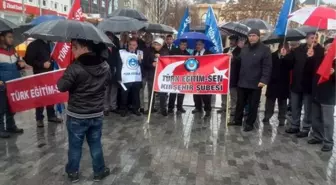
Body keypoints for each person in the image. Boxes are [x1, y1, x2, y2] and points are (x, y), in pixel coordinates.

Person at [57, 39, 111, 183]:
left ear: (85, 48)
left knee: (75, 146)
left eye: (75, 48)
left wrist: (65, 76)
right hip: (96, 113)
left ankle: (73, 173)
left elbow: (61, 86)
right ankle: (99, 171)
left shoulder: (75, 67)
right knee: (95, 143)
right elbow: (106, 83)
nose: (72, 51)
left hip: (77, 115)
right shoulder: (105, 66)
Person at [282, 33, 324, 137]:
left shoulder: (320, 51)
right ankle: (295, 126)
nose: (314, 40)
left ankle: (305, 128)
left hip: (309, 85)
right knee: (295, 107)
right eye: (312, 38)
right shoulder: (298, 50)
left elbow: (319, 67)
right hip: (297, 83)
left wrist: (311, 57)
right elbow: (289, 64)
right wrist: (284, 55)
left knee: (308, 109)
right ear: (307, 39)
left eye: (316, 38)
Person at [231, 29, 272, 132]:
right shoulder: (244, 48)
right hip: (242, 81)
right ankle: (237, 120)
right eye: (249, 36)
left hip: (256, 82)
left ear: (258, 37)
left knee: (253, 104)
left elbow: (267, 66)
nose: (251, 38)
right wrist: (233, 58)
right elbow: (239, 60)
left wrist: (263, 80)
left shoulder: (265, 49)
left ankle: (249, 123)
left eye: (254, 35)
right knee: (240, 103)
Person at [24, 39, 62, 127]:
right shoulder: (34, 45)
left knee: (50, 94)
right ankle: (39, 118)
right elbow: (28, 60)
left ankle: (51, 115)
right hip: (39, 75)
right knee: (40, 96)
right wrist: (41, 64)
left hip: (51, 74)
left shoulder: (52, 44)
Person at [308, 38, 336, 152]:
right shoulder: (320, 59)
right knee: (315, 119)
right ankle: (317, 136)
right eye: (327, 46)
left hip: (329, 96)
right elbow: (310, 71)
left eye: (331, 46)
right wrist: (310, 57)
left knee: (328, 121)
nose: (328, 48)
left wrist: (334, 73)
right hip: (316, 93)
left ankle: (328, 141)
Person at [0, 31, 25, 138]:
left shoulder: (13, 51)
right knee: (1, 108)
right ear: (2, 38)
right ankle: (1, 129)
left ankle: (11, 126)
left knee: (11, 106)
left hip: (13, 84)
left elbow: (16, 66)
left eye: (12, 37)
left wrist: (20, 65)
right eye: (9, 37)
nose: (12, 39)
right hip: (2, 85)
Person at [263, 43, 291, 127]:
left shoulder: (289, 57)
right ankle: (267, 116)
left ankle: (282, 119)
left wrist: (284, 57)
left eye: (286, 47)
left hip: (284, 83)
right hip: (273, 82)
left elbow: (290, 66)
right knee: (270, 102)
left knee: (282, 103)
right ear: (279, 48)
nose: (284, 49)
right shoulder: (272, 56)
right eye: (283, 47)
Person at [144, 37, 170, 116]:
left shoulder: (165, 52)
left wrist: (160, 57)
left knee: (162, 93)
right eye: (155, 44)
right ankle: (150, 108)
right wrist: (151, 64)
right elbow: (145, 63)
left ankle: (163, 109)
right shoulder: (150, 51)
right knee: (151, 93)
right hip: (151, 75)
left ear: (161, 45)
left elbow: (167, 62)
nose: (156, 46)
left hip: (161, 76)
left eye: (158, 44)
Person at [218, 35, 241, 115]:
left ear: (237, 42)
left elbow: (240, 62)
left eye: (233, 40)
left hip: (234, 76)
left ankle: (233, 109)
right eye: (230, 40)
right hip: (225, 74)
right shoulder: (225, 50)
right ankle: (223, 106)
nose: (231, 42)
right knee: (224, 92)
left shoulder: (240, 50)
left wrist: (233, 57)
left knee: (233, 94)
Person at [119, 38, 143, 117]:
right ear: (127, 45)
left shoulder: (140, 53)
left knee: (135, 94)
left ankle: (135, 109)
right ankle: (123, 109)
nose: (132, 46)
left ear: (137, 46)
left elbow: (143, 65)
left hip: (136, 77)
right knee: (124, 94)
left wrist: (140, 61)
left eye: (134, 45)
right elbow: (118, 65)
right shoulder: (122, 52)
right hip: (126, 77)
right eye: (130, 45)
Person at [192, 40, 213, 118]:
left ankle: (207, 110)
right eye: (196, 44)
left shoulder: (209, 53)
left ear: (203, 45)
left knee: (206, 95)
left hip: (206, 77)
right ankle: (198, 107)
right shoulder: (194, 53)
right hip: (196, 76)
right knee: (196, 93)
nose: (197, 46)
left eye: (199, 44)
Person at [168, 39, 189, 114]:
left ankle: (179, 107)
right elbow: (168, 61)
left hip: (183, 75)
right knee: (173, 91)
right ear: (179, 45)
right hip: (174, 74)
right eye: (182, 44)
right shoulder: (173, 51)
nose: (183, 46)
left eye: (185, 45)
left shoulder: (188, 54)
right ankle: (170, 107)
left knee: (181, 92)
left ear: (186, 46)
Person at [103, 32, 121, 116]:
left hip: (114, 71)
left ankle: (113, 106)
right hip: (105, 72)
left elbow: (118, 61)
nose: (110, 39)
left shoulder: (116, 48)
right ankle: (106, 107)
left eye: (111, 37)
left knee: (114, 90)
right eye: (108, 37)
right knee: (106, 90)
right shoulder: (102, 48)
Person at [140, 32, 154, 113]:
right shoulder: (141, 48)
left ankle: (150, 107)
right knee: (141, 90)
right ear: (144, 39)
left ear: (152, 39)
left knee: (151, 90)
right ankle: (141, 107)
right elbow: (141, 61)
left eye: (150, 37)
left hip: (151, 72)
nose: (148, 39)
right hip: (143, 71)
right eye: (147, 37)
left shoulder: (154, 49)